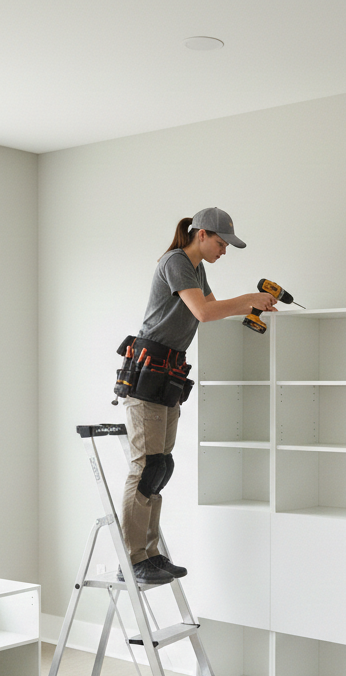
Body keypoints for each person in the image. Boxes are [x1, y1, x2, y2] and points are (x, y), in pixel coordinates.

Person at [118, 207, 277, 584]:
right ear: (201, 234)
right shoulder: (176, 261)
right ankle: (133, 559)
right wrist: (248, 299)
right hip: (148, 373)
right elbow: (203, 313)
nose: (224, 251)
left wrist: (250, 307)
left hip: (168, 373)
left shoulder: (196, 269)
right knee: (145, 468)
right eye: (221, 243)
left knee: (161, 468)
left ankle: (152, 555)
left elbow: (211, 310)